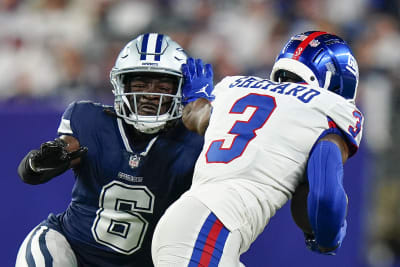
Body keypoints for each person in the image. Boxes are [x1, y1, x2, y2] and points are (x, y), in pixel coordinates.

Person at [151, 31, 364, 266]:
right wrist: (328, 237)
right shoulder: (327, 109)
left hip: (194, 225)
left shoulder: (234, 87)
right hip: (210, 229)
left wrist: (196, 97)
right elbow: (324, 194)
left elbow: (196, 117)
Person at [15, 33, 204, 267]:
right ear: (120, 84)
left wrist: (203, 109)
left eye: (162, 86)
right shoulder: (90, 121)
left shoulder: (196, 141)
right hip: (71, 249)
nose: (148, 95)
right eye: (139, 84)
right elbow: (30, 173)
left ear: (181, 89)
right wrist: (44, 160)